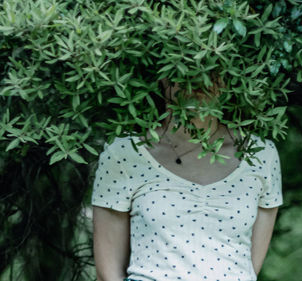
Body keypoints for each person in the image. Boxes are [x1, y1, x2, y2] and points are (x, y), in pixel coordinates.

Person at [91, 75, 283, 281]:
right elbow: (108, 273)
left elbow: (250, 268)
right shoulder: (124, 153)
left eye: (212, 68)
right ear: (163, 76)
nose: (198, 79)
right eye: (186, 67)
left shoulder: (261, 154)